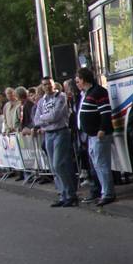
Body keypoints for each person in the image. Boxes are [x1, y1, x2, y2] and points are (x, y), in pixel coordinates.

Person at [30, 76, 79, 208]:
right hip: (48, 134)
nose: (47, 87)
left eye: (49, 84)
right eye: (45, 84)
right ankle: (63, 195)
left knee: (59, 164)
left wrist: (43, 119)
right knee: (53, 167)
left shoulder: (60, 97)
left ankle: (71, 194)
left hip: (60, 132)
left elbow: (55, 116)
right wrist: (46, 119)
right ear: (42, 87)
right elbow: (36, 120)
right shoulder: (41, 101)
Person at [75, 67, 115, 206]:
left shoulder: (98, 92)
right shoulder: (87, 93)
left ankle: (108, 193)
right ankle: (104, 191)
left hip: (99, 135)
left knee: (102, 164)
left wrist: (102, 129)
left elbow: (105, 112)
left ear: (83, 80)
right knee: (97, 165)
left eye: (78, 81)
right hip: (91, 135)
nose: (77, 84)